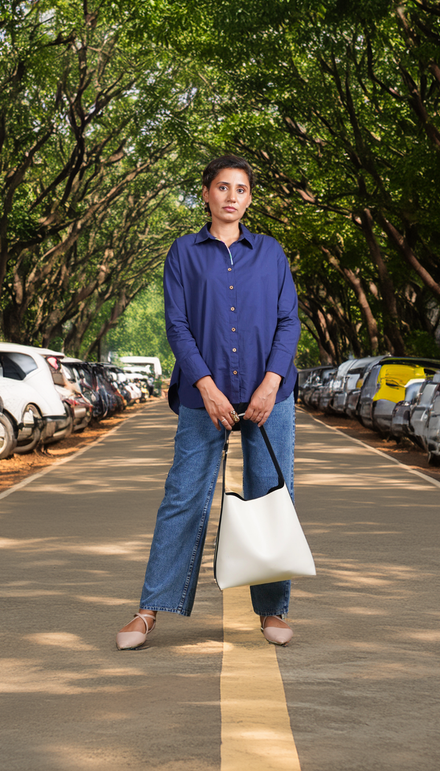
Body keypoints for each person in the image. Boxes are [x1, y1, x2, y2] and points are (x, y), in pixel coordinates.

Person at [116, 155, 300, 650]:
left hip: (269, 398)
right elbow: (177, 326)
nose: (231, 197)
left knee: (269, 495)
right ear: (206, 194)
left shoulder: (272, 254)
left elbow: (289, 322)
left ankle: (273, 610)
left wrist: (270, 385)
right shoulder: (182, 253)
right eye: (223, 187)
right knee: (183, 496)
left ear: (249, 199)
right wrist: (206, 386)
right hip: (205, 398)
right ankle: (149, 610)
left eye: (241, 189)